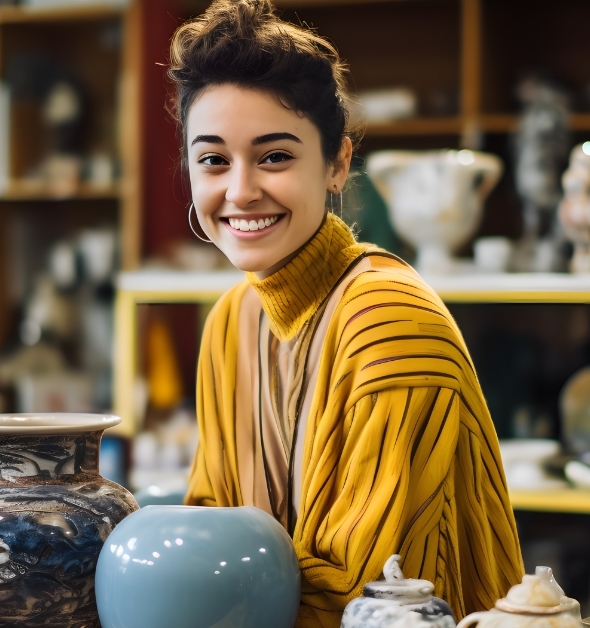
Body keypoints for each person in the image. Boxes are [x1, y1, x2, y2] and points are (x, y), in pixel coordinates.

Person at [171, 1, 523, 625]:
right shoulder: (231, 317)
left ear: (337, 164)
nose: (241, 189)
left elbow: (367, 593)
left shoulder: (390, 320)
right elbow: (208, 528)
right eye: (213, 159)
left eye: (275, 156)